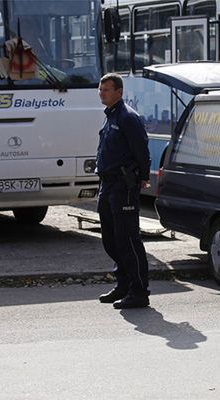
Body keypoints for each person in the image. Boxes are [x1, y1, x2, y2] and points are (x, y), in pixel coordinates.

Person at [96, 73, 151, 309]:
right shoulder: (111, 115)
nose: (101, 93)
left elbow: (141, 150)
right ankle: (123, 284)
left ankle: (139, 291)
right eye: (100, 90)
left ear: (118, 91)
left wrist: (144, 178)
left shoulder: (128, 117)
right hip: (107, 185)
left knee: (127, 239)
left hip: (123, 186)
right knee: (111, 239)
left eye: (106, 90)